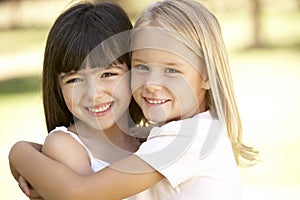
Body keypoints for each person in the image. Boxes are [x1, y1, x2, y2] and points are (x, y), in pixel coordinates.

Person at [9, 0, 258, 199]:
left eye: (171, 70)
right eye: (141, 67)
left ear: (207, 76)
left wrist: (18, 153)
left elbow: (78, 193)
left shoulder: (189, 138)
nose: (151, 84)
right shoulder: (157, 138)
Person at [10, 1, 149, 199]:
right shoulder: (65, 146)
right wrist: (18, 153)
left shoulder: (150, 137)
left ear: (133, 71)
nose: (93, 93)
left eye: (108, 74)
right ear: (57, 86)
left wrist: (19, 154)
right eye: (75, 79)